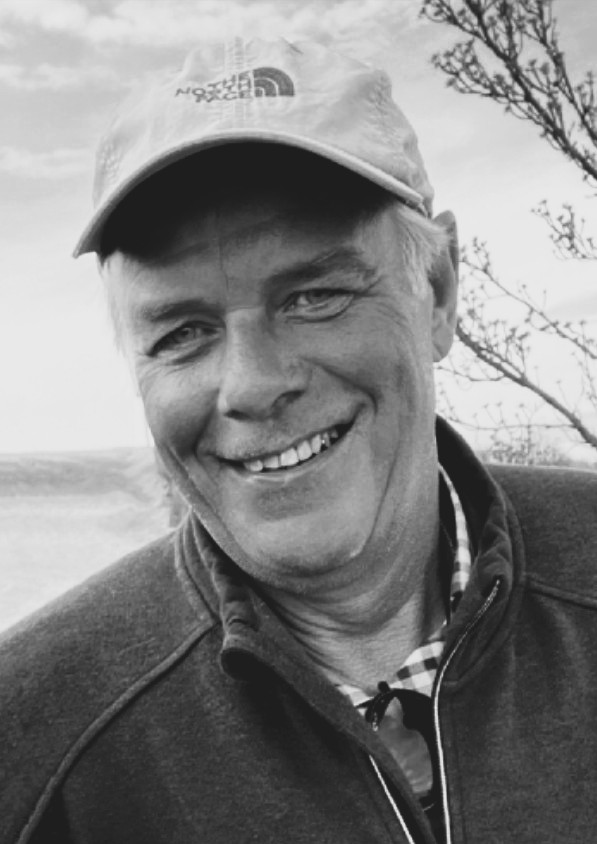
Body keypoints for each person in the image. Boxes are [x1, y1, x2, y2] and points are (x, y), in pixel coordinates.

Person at [1, 37, 596, 844]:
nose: (251, 385)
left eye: (314, 295)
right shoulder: (35, 749)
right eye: (182, 333)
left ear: (436, 291)